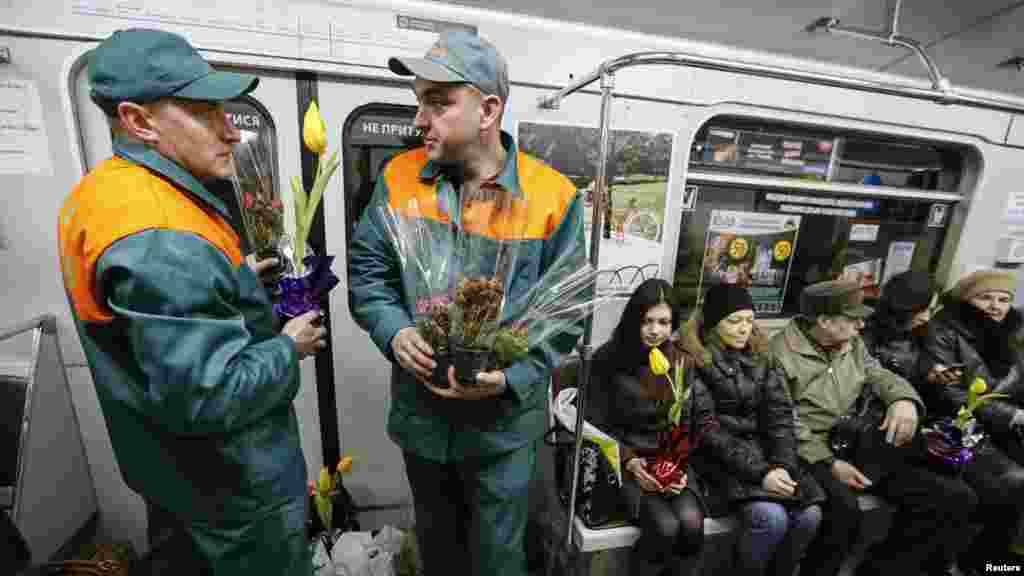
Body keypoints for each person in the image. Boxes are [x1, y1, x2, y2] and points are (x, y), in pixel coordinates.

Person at [56, 29, 327, 574]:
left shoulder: (107, 193)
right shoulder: (161, 235)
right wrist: (287, 346)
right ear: (138, 121)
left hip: (173, 475)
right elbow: (210, 397)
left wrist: (234, 277)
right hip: (233, 491)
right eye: (205, 111)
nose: (230, 129)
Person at [348, 31, 585, 576]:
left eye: (437, 102)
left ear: (489, 110)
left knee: (498, 559)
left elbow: (568, 311)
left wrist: (513, 377)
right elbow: (369, 272)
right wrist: (393, 330)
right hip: (424, 422)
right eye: (418, 102)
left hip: (503, 428)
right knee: (439, 553)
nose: (418, 120)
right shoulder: (398, 179)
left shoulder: (553, 199)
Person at [768, 279, 976, 576]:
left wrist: (902, 399)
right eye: (853, 319)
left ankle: (881, 569)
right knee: (843, 513)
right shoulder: (779, 354)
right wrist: (829, 462)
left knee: (953, 496)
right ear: (825, 321)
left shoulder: (849, 344)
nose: (861, 326)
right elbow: (782, 418)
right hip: (808, 449)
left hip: (856, 441)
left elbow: (880, 375)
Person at [684, 284, 824, 576]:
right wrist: (762, 473)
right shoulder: (695, 360)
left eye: (749, 320)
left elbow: (780, 416)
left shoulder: (762, 356)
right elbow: (707, 429)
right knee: (771, 518)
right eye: (734, 321)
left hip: (766, 457)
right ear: (712, 324)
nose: (743, 328)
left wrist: (783, 465)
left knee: (810, 515)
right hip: (719, 461)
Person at [597, 278, 704, 576]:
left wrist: (679, 465)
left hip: (670, 461)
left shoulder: (682, 363)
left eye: (664, 322)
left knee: (692, 524)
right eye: (647, 321)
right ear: (634, 319)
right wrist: (630, 462)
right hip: (625, 461)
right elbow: (596, 424)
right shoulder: (608, 360)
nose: (655, 331)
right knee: (666, 528)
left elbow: (691, 420)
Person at [922, 269, 1024, 573]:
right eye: (985, 298)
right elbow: (947, 393)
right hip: (956, 428)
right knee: (1014, 480)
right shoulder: (943, 330)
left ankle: (1007, 559)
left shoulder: (1015, 332)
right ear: (966, 300)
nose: (996, 306)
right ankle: (983, 562)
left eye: (1003, 299)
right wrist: (1013, 415)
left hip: (1007, 425)